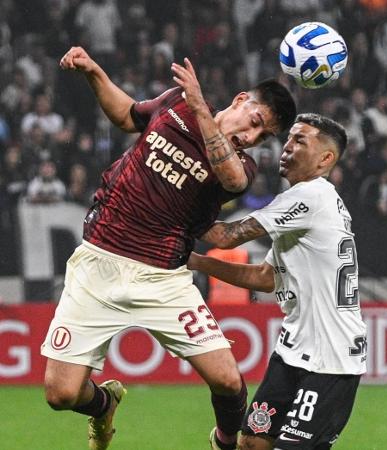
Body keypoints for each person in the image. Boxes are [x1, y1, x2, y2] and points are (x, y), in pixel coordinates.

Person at [40, 45, 296, 450]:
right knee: (61, 394)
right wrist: (93, 72)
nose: (252, 136)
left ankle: (225, 441)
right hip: (98, 263)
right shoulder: (176, 103)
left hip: (162, 276)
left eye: (263, 135)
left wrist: (199, 108)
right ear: (241, 100)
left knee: (228, 380)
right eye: (256, 122)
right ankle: (104, 403)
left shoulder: (243, 165)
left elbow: (229, 179)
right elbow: (127, 115)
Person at [188, 113, 367, 450]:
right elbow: (264, 277)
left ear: (325, 159)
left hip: (331, 356)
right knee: (252, 443)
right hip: (293, 349)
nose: (287, 146)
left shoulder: (311, 196)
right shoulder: (307, 204)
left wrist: (174, 204)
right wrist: (197, 261)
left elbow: (226, 236)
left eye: (301, 141)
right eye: (289, 138)